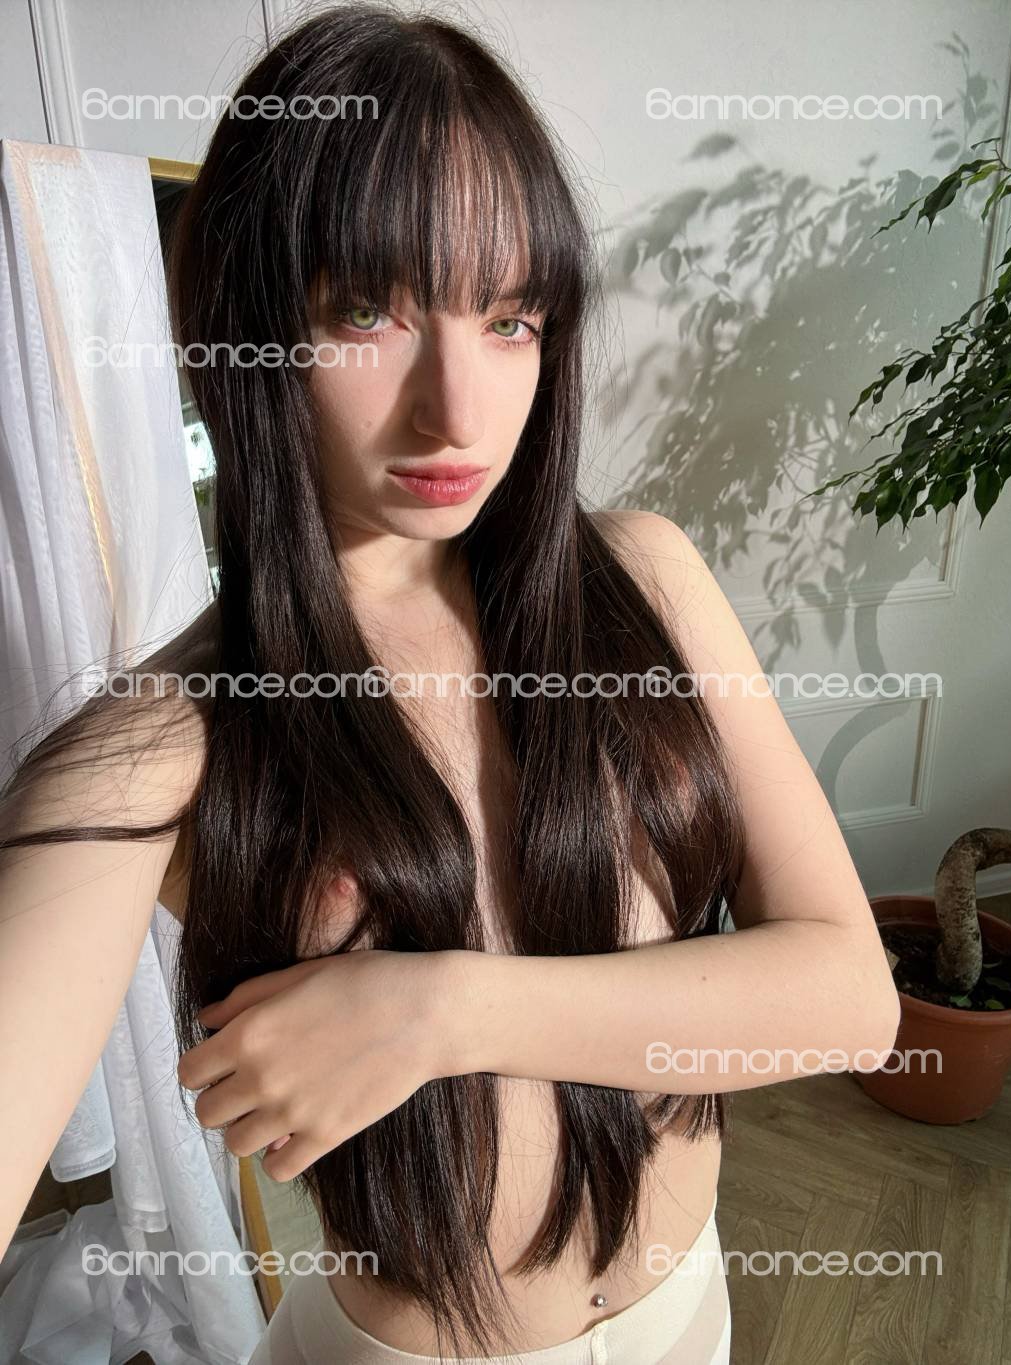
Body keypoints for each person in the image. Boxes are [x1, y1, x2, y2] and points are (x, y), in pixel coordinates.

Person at [0, 5, 901, 1362]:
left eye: (510, 317)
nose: (459, 413)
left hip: (694, 1313)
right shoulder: (165, 747)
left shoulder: (643, 581)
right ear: (245, 329)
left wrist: (436, 1011)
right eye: (369, 310)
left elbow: (851, 999)